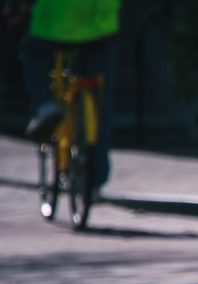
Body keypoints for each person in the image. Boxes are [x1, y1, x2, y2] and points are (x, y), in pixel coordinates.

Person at [9, 0, 121, 190]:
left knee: (32, 52)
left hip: (54, 22)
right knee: (100, 99)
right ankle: (94, 178)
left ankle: (44, 105)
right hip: (100, 21)